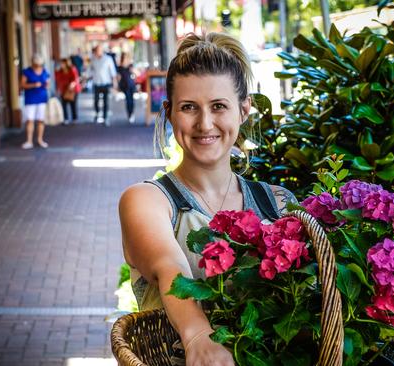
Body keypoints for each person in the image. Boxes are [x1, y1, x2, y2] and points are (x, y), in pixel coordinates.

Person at [118, 33, 297, 365]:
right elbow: (169, 265)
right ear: (169, 113)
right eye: (189, 108)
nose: (204, 124)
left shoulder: (279, 203)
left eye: (218, 106)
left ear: (244, 111)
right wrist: (198, 336)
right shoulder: (147, 200)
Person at [20, 54, 50, 149]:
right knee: (30, 120)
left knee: (41, 120)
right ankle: (29, 141)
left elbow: (48, 84)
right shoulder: (26, 72)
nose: (38, 66)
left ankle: (40, 140)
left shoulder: (45, 71)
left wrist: (45, 85)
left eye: (39, 64)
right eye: (36, 64)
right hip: (30, 99)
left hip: (42, 98)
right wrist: (33, 85)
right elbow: (22, 85)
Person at [90, 45, 117, 125]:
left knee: (106, 101)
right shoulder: (93, 59)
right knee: (96, 100)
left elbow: (113, 71)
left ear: (102, 50)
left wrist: (114, 83)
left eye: (98, 50)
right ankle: (97, 113)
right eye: (96, 50)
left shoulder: (108, 59)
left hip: (106, 83)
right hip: (96, 83)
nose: (97, 52)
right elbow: (90, 70)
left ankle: (105, 117)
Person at [55, 58, 81, 125]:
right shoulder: (60, 71)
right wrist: (57, 89)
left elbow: (76, 78)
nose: (61, 65)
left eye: (62, 63)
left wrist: (72, 84)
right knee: (64, 104)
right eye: (60, 63)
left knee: (73, 104)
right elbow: (58, 80)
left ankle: (74, 118)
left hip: (73, 90)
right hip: (63, 90)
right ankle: (65, 119)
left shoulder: (72, 69)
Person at [117, 53, 137, 124]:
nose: (126, 59)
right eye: (124, 58)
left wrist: (133, 71)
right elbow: (118, 77)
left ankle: (132, 113)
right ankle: (130, 114)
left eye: (126, 58)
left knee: (132, 100)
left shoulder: (130, 66)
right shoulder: (119, 67)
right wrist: (116, 86)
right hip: (124, 86)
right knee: (128, 100)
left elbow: (136, 73)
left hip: (131, 85)